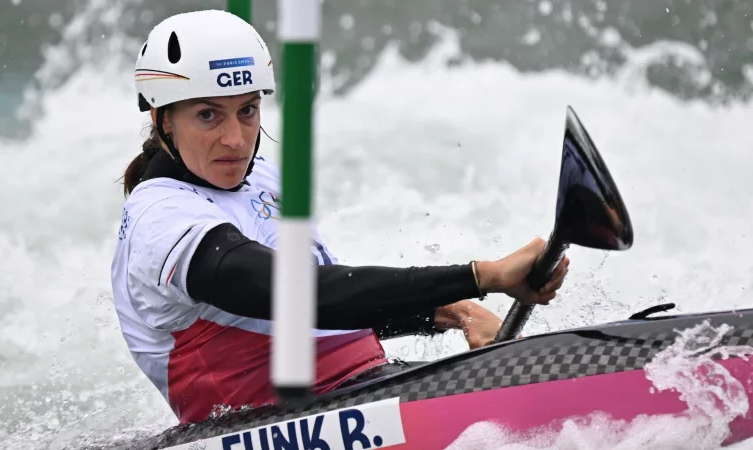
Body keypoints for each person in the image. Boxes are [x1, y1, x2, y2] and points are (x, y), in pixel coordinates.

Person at [110, 9, 570, 425]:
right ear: (162, 118)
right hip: (274, 424)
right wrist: (481, 276)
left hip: (359, 393)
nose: (235, 138)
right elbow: (294, 293)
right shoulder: (160, 217)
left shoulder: (262, 178)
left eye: (248, 111)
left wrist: (453, 312)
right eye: (209, 115)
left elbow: (333, 306)